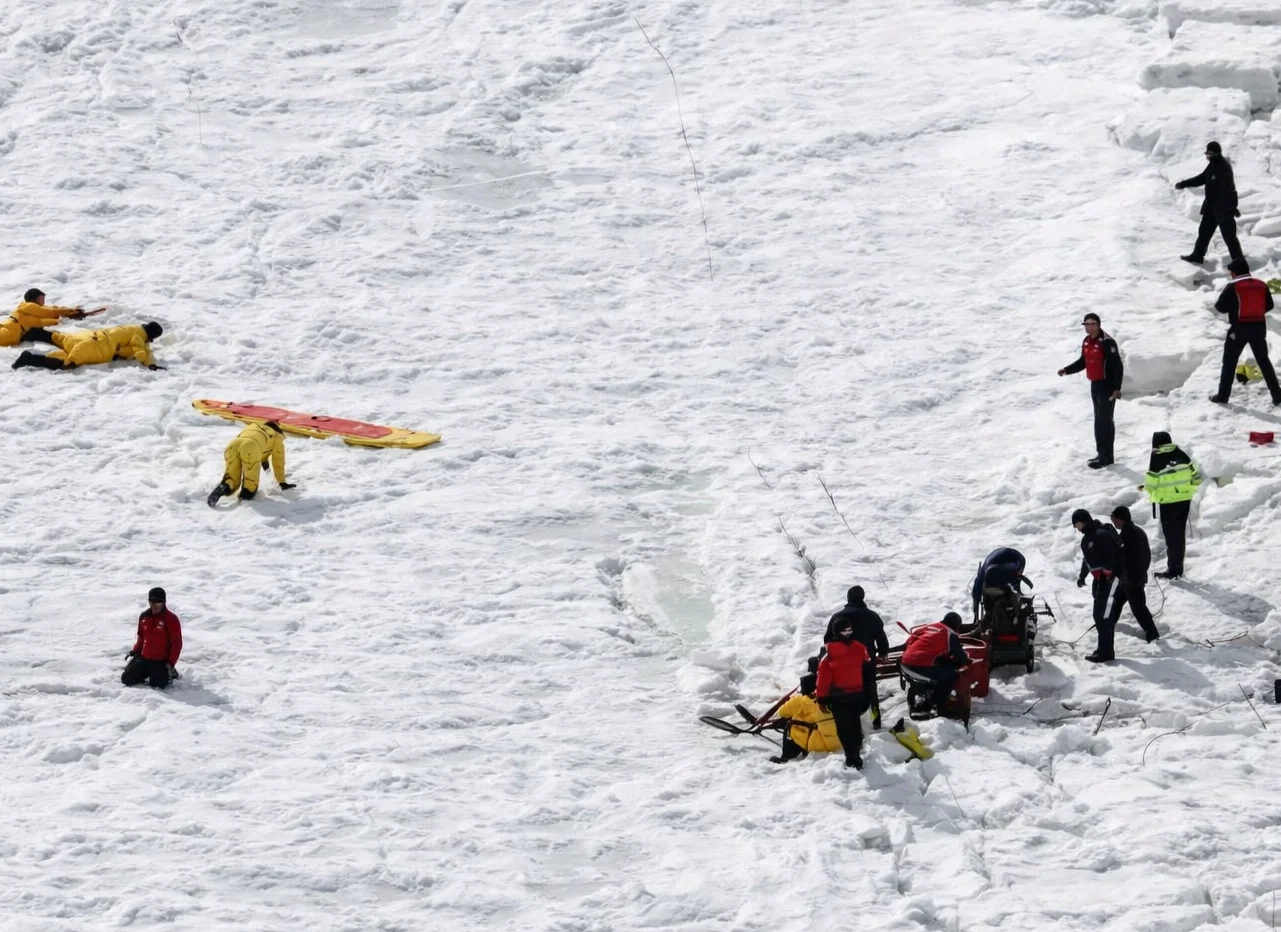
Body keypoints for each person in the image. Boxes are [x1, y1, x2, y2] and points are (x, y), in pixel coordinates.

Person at [1209, 259, 1280, 406]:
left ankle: (1223, 396)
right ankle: (1277, 395)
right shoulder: (1261, 284)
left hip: (1239, 328)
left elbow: (1220, 307)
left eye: (1231, 272)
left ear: (1234, 273)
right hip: (1259, 327)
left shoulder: (1233, 286)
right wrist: (1255, 311)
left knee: (1229, 361)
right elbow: (1269, 305)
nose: (1230, 274)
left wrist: (1235, 309)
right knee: (1263, 360)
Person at [1058, 313, 1123, 468]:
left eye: (1092, 323)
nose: (1089, 326)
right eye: (1086, 324)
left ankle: (1107, 458)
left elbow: (1117, 366)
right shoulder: (1087, 341)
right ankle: (1101, 454)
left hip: (1107, 385)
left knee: (1105, 421)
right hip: (1095, 384)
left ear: (1099, 324)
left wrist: (1117, 388)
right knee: (1098, 420)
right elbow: (1083, 361)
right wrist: (1067, 370)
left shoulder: (1107, 342)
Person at [822, 585, 889, 729]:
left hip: (843, 663)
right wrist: (883, 653)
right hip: (867, 660)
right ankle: (876, 720)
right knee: (870, 687)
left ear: (848, 598)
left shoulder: (838, 617)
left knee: (845, 689)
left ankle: (846, 720)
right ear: (862, 597)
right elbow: (881, 638)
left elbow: (827, 639)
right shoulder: (872, 616)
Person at [815, 618, 874, 770]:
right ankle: (856, 753)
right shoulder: (860, 647)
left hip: (838, 696)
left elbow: (823, 677)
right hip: (857, 693)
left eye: (849, 630)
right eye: (847, 630)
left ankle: (851, 756)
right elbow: (868, 671)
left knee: (844, 727)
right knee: (855, 723)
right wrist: (868, 690)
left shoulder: (829, 652)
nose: (849, 633)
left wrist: (821, 698)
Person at [1142, 431, 1200, 580]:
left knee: (1171, 537)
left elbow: (1151, 483)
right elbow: (1196, 476)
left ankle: (1174, 570)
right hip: (1184, 501)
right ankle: (1177, 567)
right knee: (1179, 535)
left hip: (1168, 503)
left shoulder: (1157, 456)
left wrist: (1152, 493)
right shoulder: (1182, 454)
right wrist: (1188, 491)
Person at [1175, 141, 1242, 265]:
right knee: (1204, 233)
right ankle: (1197, 256)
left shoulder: (1223, 167)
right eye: (1207, 154)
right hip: (1211, 208)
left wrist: (1232, 208)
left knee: (1229, 237)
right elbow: (1201, 178)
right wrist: (1183, 184)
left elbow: (1229, 190)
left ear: (1217, 153)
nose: (1208, 156)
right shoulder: (1213, 165)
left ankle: (1239, 262)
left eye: (1210, 154)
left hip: (1223, 209)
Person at [1072, 508, 1123, 663]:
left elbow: (1110, 557)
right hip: (1101, 579)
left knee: (1103, 615)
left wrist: (1107, 575)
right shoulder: (1088, 537)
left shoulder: (1101, 535)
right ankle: (1104, 650)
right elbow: (1088, 559)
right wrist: (1083, 576)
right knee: (1100, 615)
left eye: (1076, 524)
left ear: (1082, 521)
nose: (1076, 528)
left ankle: (1105, 652)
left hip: (1110, 579)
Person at [207, 421, 296, 505]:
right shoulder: (276, 437)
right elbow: (278, 462)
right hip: (251, 447)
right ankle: (244, 503)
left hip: (232, 445)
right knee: (250, 483)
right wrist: (282, 482)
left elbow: (261, 447)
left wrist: (264, 461)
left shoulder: (253, 427)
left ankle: (222, 488)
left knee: (231, 478)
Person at [11, 322, 164, 370]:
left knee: (64, 340)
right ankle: (29, 359)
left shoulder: (132, 328)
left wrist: (150, 361)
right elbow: (140, 349)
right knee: (67, 363)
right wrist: (148, 362)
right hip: (97, 347)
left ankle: (37, 333)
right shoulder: (139, 335)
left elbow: (145, 349)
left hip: (90, 336)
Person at [1108, 506, 1160, 643]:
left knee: (1138, 607)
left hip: (1132, 579)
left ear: (1120, 519)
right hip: (1129, 577)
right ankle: (1108, 623)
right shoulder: (1135, 531)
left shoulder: (1129, 534)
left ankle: (1152, 633)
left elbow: (1123, 557)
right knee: (1117, 600)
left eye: (1113, 518)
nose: (1112, 521)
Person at [769, 668, 841, 764]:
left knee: (790, 726)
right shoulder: (830, 696)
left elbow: (782, 712)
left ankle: (786, 757)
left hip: (819, 744)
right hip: (838, 741)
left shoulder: (801, 700)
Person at [900, 612, 969, 711]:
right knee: (951, 675)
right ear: (956, 625)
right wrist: (964, 658)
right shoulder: (950, 634)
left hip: (904, 663)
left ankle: (927, 690)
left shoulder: (929, 627)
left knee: (940, 666)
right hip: (917, 667)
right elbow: (960, 657)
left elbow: (908, 642)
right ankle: (935, 703)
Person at [122, 587, 182, 689]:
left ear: (164, 602)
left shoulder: (171, 619)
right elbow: (141, 637)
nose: (154, 605)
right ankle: (145, 670)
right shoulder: (144, 617)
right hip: (145, 658)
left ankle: (171, 672)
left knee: (157, 684)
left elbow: (176, 643)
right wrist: (134, 651)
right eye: (152, 602)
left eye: (158, 602)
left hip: (161, 661)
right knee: (126, 679)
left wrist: (171, 662)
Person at [0, 288, 102, 347]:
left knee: (46, 334)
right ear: (33, 298)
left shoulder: (34, 311)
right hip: (7, 331)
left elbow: (51, 311)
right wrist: (67, 311)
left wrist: (70, 313)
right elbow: (46, 312)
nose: (43, 300)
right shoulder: (27, 306)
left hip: (15, 335)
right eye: (41, 298)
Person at [971, 547, 1029, 621]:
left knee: (1009, 591)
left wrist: (976, 615)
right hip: (1008, 559)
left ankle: (1014, 612)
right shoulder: (982, 577)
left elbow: (976, 593)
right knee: (1008, 589)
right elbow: (976, 594)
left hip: (1012, 561)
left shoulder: (986, 575)